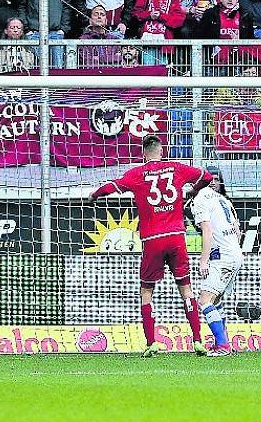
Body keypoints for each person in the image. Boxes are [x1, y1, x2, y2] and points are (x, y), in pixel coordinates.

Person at [88, 134, 211, 357]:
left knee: (146, 290)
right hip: (176, 236)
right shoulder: (176, 168)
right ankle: (197, 340)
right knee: (186, 288)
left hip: (152, 239)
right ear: (161, 151)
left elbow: (111, 187)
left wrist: (94, 195)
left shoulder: (136, 174)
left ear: (143, 153)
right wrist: (193, 190)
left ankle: (151, 342)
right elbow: (207, 176)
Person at [190, 166, 242, 357]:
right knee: (216, 300)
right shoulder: (224, 200)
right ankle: (224, 341)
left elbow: (207, 231)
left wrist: (204, 261)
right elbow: (238, 231)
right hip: (234, 253)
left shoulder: (201, 200)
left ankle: (222, 345)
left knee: (204, 300)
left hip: (223, 256)